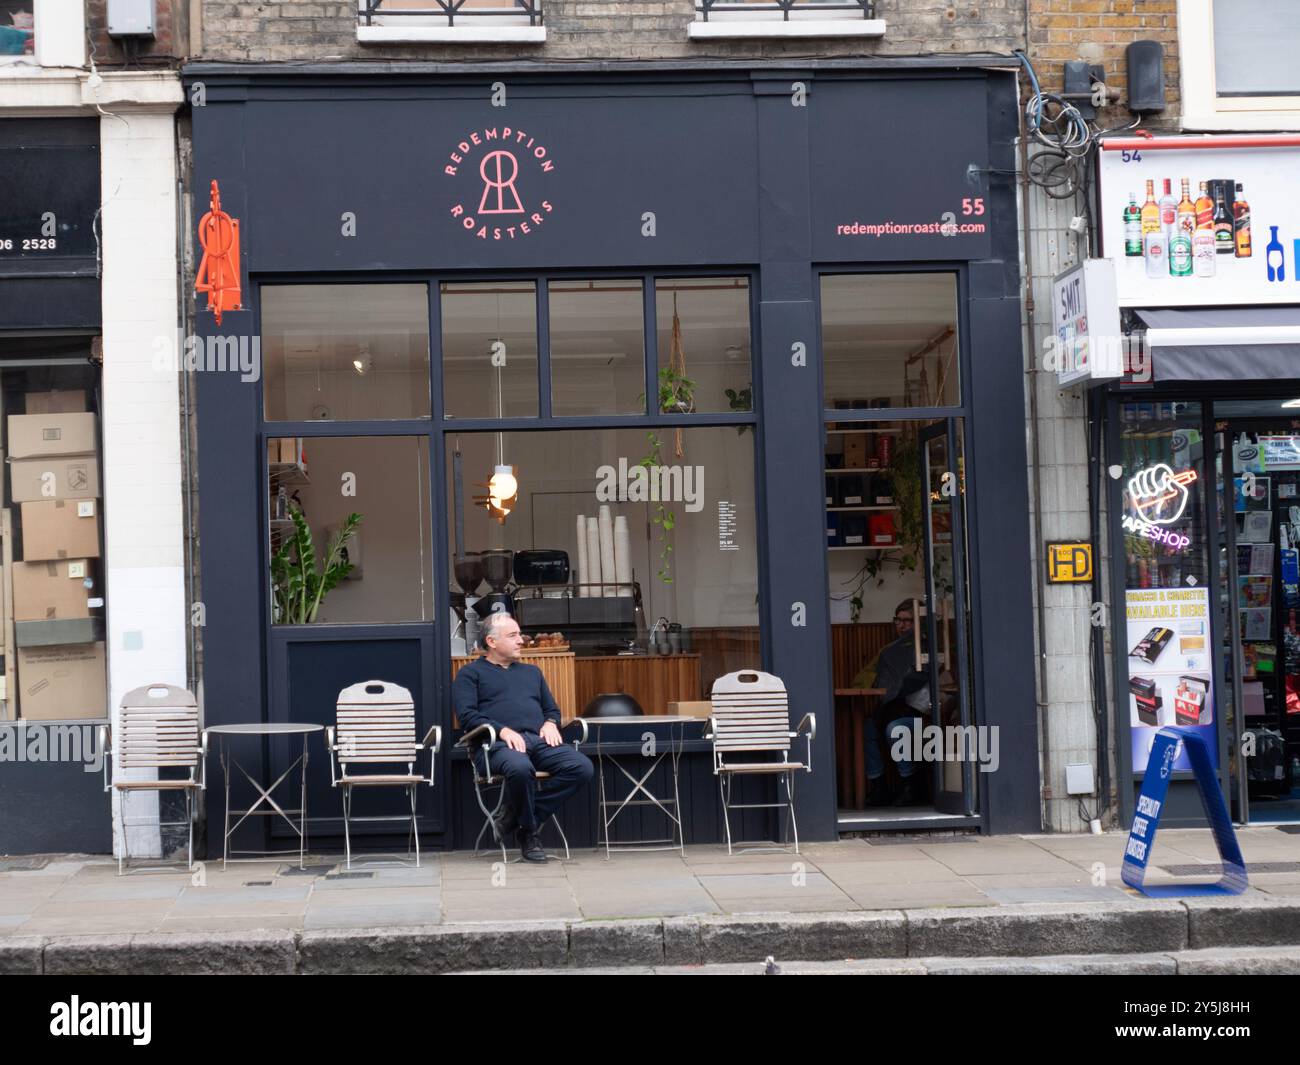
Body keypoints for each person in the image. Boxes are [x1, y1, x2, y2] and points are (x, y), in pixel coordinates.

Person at [452, 612, 594, 862]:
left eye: (520, 634)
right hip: (494, 746)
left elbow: (551, 709)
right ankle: (529, 835)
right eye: (513, 635)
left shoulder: (531, 673)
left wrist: (551, 722)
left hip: (537, 742)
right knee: (520, 767)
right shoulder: (470, 674)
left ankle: (514, 818)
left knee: (581, 767)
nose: (521, 640)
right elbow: (467, 716)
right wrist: (502, 731)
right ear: (492, 642)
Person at [859, 599, 932, 806]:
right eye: (898, 620)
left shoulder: (928, 648)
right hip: (896, 709)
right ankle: (878, 784)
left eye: (907, 621)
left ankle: (910, 784)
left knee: (894, 729)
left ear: (919, 623)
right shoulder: (890, 650)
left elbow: (917, 682)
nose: (901, 625)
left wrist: (892, 693)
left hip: (924, 714)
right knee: (868, 729)